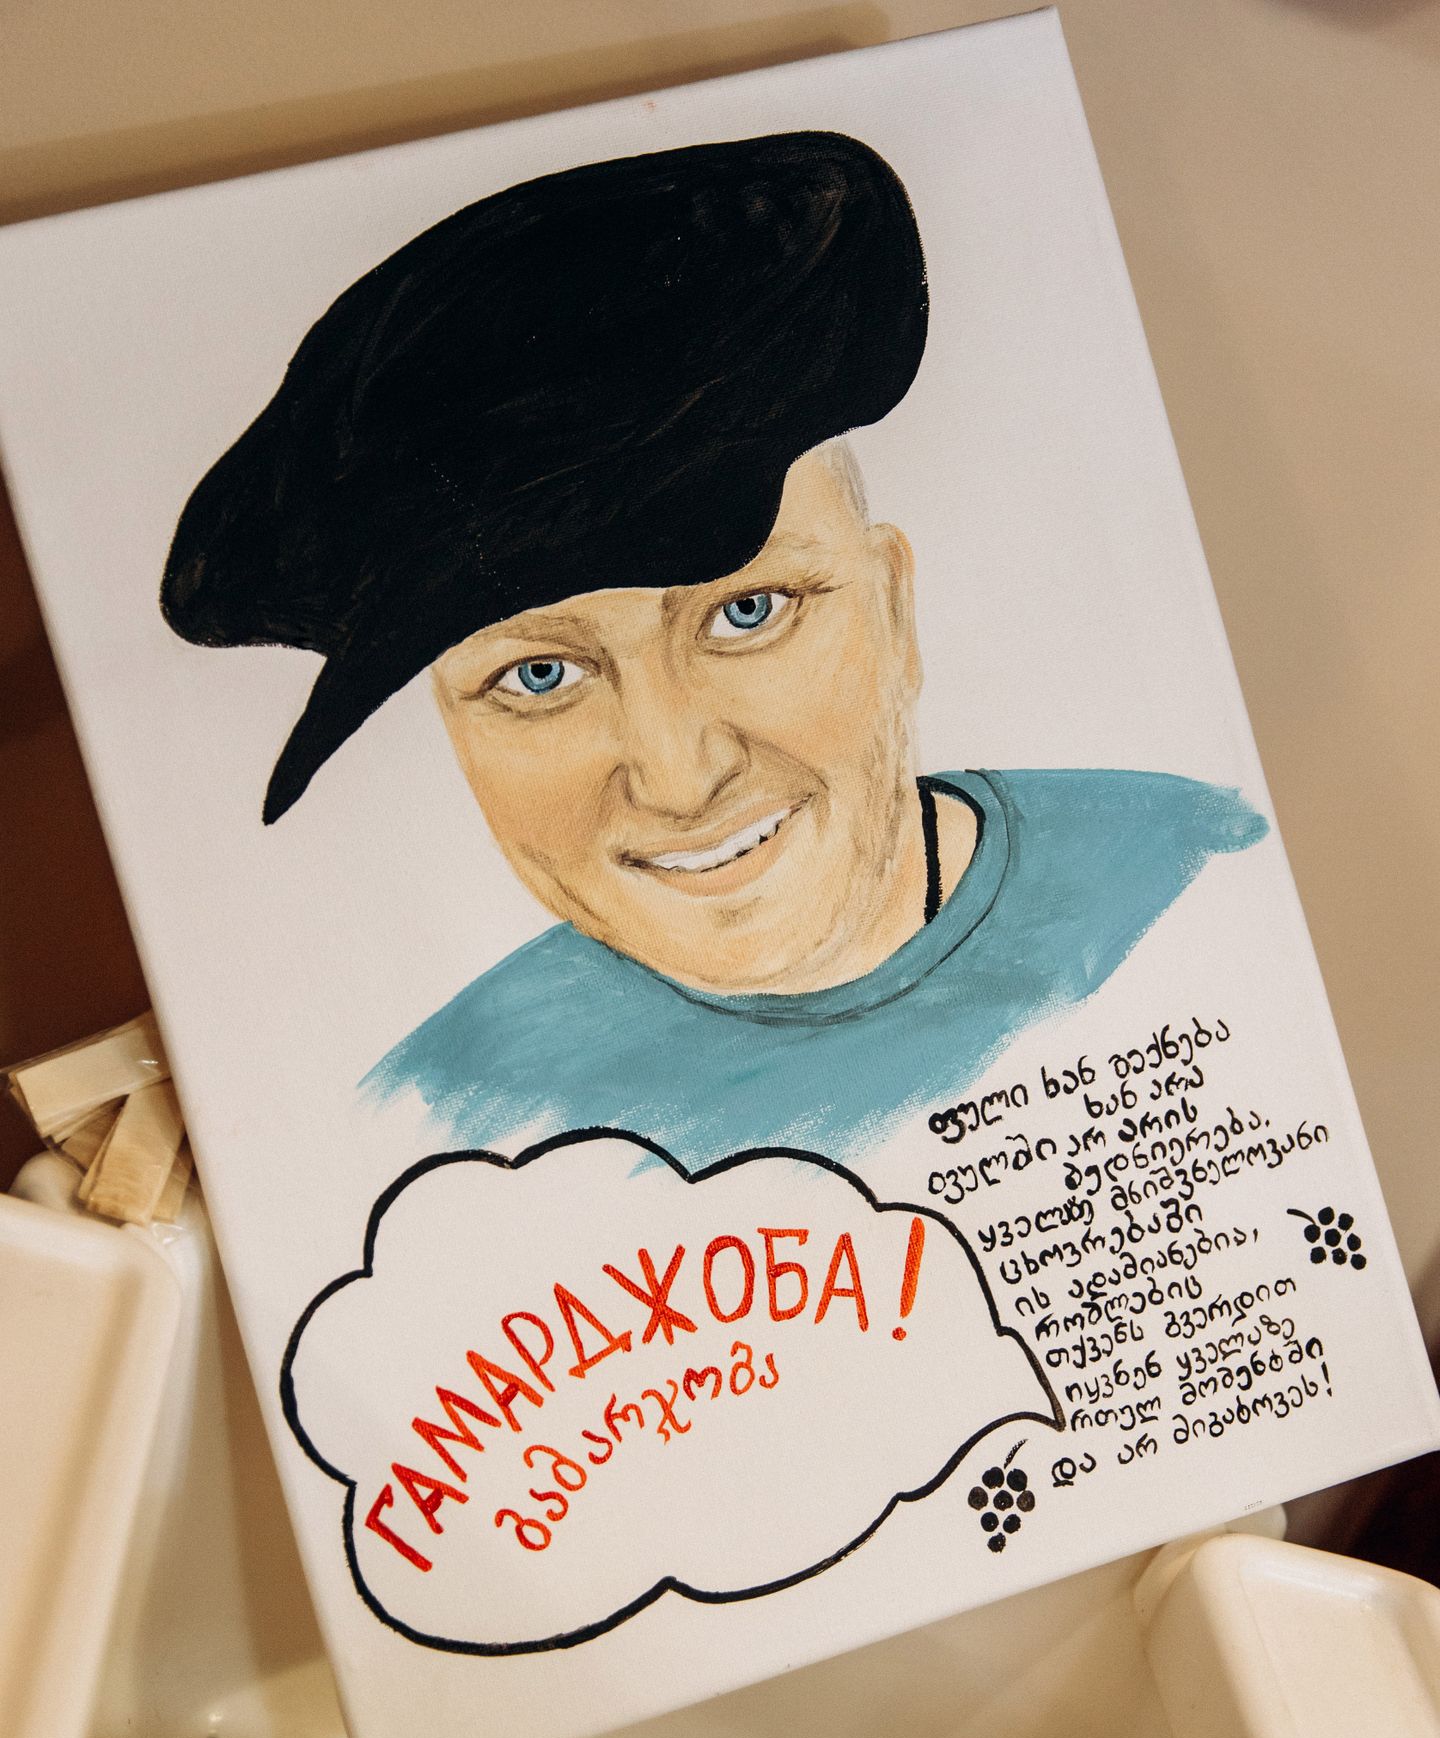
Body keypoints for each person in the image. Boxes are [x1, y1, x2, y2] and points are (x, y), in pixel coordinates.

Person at [160, 131, 1267, 1167]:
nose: (679, 777)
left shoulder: (1198, 889)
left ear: (893, 605)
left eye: (749, 612)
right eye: (540, 676)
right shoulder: (430, 1121)